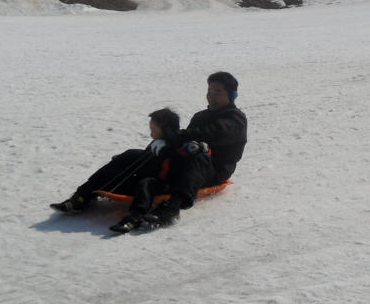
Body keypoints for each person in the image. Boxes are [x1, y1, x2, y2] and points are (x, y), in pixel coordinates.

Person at [50, 72, 248, 231]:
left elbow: (214, 133)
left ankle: (173, 207)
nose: (211, 95)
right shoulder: (200, 116)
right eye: (209, 90)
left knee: (199, 155)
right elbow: (187, 138)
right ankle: (82, 196)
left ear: (231, 96)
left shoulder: (235, 119)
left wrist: (178, 136)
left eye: (218, 92)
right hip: (186, 165)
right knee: (131, 155)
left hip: (212, 171)